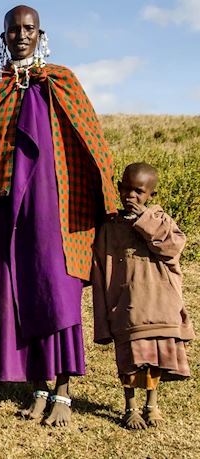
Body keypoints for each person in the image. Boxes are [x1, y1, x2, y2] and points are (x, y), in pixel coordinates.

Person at [0, 5, 117, 427]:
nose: (21, 35)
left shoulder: (62, 81)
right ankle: (37, 386)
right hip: (7, 204)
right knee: (20, 291)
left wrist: (105, 198)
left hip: (56, 204)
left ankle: (64, 393)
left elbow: (91, 140)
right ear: (3, 37)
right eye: (13, 30)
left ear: (41, 34)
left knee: (56, 288)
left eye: (28, 29)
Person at [92, 162, 194, 429]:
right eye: (125, 189)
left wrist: (143, 220)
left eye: (138, 191)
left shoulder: (159, 220)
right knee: (129, 361)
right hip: (125, 308)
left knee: (154, 360)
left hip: (159, 306)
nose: (130, 196)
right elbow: (101, 270)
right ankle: (131, 408)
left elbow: (172, 247)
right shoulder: (110, 226)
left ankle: (152, 405)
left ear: (151, 195)